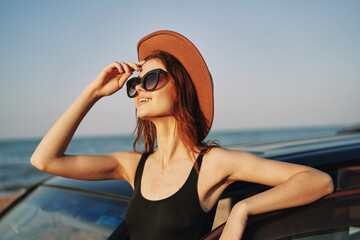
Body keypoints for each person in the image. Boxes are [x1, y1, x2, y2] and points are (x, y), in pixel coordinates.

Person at [31, 30, 334, 240]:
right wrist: (93, 92)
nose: (139, 90)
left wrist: (243, 209)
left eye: (151, 79)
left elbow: (318, 181)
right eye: (135, 84)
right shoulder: (132, 165)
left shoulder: (212, 163)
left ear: (181, 88)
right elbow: (44, 159)